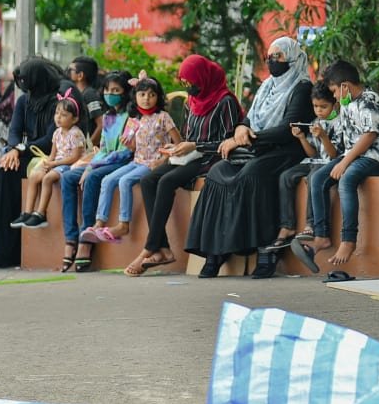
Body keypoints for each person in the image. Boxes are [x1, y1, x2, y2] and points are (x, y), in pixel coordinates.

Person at [186, 37, 314, 278]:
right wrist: (241, 129)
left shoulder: (302, 88)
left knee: (250, 175)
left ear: (293, 57)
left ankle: (266, 250)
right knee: (217, 173)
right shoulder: (267, 86)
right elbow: (250, 118)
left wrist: (244, 139)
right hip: (256, 148)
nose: (272, 61)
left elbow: (288, 129)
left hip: (286, 149)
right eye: (269, 56)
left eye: (278, 56)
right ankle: (216, 251)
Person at [126, 55, 243, 277]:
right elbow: (187, 136)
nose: (189, 87)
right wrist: (176, 148)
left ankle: (150, 248)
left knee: (167, 181)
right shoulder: (192, 101)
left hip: (211, 158)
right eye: (184, 83)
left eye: (191, 82)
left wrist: (195, 146)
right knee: (148, 179)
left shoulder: (225, 101)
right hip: (189, 156)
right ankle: (163, 248)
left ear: (203, 77)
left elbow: (229, 141)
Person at [292, 59, 379, 272]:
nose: (335, 97)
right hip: (354, 156)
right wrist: (341, 159)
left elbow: (369, 135)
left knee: (347, 179)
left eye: (334, 92)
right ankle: (321, 237)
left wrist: (345, 163)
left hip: (376, 156)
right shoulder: (348, 105)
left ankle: (348, 240)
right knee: (318, 178)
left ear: (345, 87)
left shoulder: (369, 100)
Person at [0, 59, 68, 268]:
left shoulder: (57, 102)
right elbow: (14, 131)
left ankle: (2, 250)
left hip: (49, 157)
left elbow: (50, 139)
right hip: (25, 155)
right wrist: (13, 149)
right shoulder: (24, 101)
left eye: (25, 79)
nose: (22, 84)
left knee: (1, 175)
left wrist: (19, 150)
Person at [86, 76, 180, 242]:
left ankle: (123, 225)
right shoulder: (134, 119)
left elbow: (179, 143)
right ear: (135, 96)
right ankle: (99, 223)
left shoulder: (163, 117)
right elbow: (135, 147)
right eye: (142, 94)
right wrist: (129, 145)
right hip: (137, 161)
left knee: (125, 181)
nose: (146, 99)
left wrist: (164, 160)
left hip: (152, 163)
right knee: (107, 180)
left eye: (151, 95)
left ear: (158, 97)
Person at [60, 70, 133, 272]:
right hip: (104, 161)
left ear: (126, 92)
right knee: (67, 177)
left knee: (91, 178)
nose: (110, 94)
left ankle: (86, 240)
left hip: (123, 162)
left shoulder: (130, 117)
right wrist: (88, 163)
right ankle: (71, 239)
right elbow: (103, 149)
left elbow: (124, 152)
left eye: (116, 90)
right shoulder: (108, 116)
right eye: (108, 90)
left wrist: (92, 167)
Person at [263, 81, 343, 255]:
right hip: (314, 161)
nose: (319, 111)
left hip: (329, 163)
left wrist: (324, 137)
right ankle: (288, 225)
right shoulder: (316, 121)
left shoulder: (340, 122)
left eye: (323, 106)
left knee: (314, 177)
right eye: (315, 106)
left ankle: (311, 225)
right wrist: (301, 138)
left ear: (335, 104)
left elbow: (334, 155)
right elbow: (312, 153)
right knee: (286, 176)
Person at [13, 94, 85, 229]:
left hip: (69, 165)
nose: (58, 117)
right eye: (57, 113)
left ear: (75, 119)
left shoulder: (76, 133)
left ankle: (41, 214)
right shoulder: (57, 133)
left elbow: (75, 157)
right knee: (34, 176)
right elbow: (53, 154)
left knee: (47, 179)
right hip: (56, 163)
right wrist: (47, 164)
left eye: (64, 115)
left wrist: (54, 164)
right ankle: (27, 213)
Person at [66, 55, 103, 138]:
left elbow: (101, 124)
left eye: (70, 70)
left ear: (80, 75)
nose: (67, 72)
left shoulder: (90, 94)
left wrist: (89, 144)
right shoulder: (75, 93)